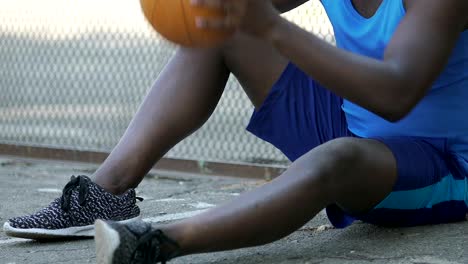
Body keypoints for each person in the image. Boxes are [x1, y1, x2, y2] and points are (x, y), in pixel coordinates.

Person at [4, 0, 468, 263]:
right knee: (226, 31)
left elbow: (396, 93)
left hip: (439, 163)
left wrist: (269, 23)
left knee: (337, 157)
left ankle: (155, 243)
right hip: (354, 122)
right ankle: (107, 191)